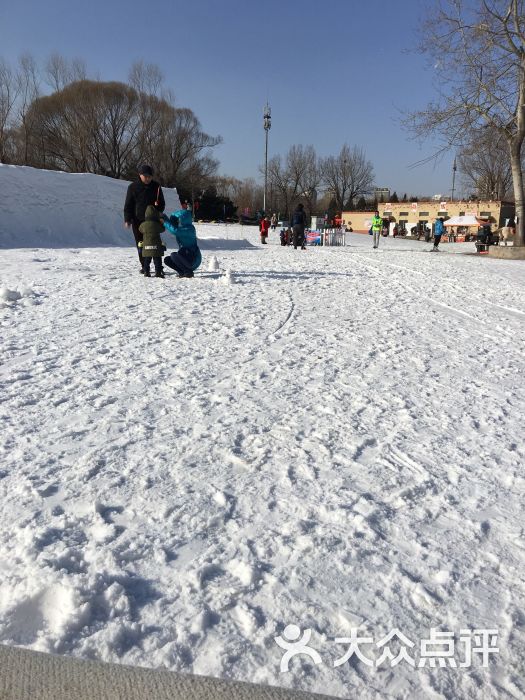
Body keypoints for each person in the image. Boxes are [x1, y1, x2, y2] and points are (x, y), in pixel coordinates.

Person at [124, 165, 165, 273]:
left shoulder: (156, 187)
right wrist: (127, 219)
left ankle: (158, 266)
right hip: (137, 220)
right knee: (141, 243)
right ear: (140, 175)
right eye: (145, 176)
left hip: (153, 221)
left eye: (150, 176)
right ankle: (144, 266)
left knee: (154, 243)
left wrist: (159, 209)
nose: (147, 179)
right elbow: (128, 204)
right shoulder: (133, 187)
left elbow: (162, 203)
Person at [162, 206, 202, 278]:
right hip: (186, 255)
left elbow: (175, 231)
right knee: (167, 260)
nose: (177, 222)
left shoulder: (190, 229)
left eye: (178, 220)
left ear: (183, 219)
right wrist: (165, 218)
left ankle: (188, 272)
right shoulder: (183, 228)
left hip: (193, 258)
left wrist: (165, 221)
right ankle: (182, 272)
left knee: (173, 255)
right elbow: (174, 227)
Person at [139, 206, 166, 277]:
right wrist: (161, 223)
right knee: (157, 260)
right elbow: (162, 229)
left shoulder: (143, 225)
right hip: (156, 246)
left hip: (146, 246)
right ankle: (158, 272)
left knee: (147, 261)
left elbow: (140, 229)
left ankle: (146, 272)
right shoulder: (157, 224)